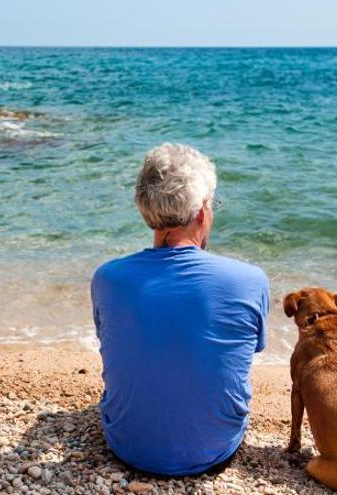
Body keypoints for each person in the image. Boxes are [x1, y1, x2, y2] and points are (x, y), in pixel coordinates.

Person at [90, 143, 270, 476]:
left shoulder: (107, 278)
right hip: (215, 448)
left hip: (127, 444)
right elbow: (246, 352)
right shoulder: (250, 280)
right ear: (202, 211)